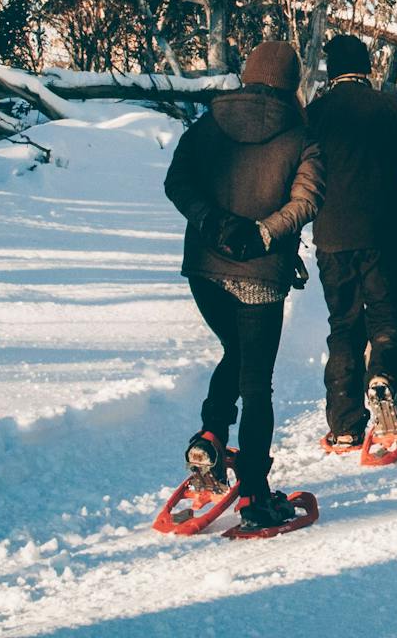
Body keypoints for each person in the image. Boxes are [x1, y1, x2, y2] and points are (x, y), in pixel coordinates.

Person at [162, 38, 320, 530]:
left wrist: (212, 223)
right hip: (261, 276)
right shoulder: (301, 134)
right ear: (292, 81)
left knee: (236, 354)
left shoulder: (208, 122)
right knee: (256, 384)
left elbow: (176, 183)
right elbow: (309, 199)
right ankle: (254, 493)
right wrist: (265, 232)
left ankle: (210, 435)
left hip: (205, 272)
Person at [307, 33, 397, 454]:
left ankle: (345, 424)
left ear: (331, 71)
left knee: (343, 324)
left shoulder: (314, 114)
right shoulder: (392, 108)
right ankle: (384, 378)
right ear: (367, 67)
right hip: (385, 231)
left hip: (331, 234)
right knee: (386, 318)